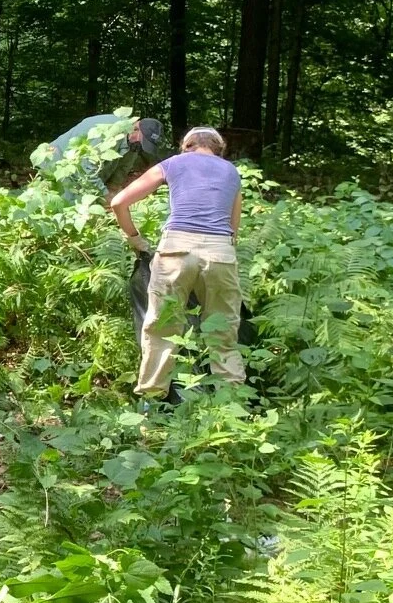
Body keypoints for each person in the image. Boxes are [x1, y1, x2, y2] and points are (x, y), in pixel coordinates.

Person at [110, 125, 245, 401]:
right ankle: (232, 404)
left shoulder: (173, 163)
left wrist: (135, 239)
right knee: (223, 331)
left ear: (187, 146)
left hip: (175, 251)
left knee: (160, 329)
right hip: (220, 253)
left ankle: (150, 403)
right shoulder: (231, 172)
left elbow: (119, 202)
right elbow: (233, 230)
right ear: (219, 149)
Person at [39, 111, 166, 196]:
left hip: (80, 172)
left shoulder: (133, 142)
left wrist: (113, 189)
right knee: (66, 203)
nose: (141, 147)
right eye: (142, 141)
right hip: (57, 162)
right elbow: (87, 170)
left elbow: (123, 168)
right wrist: (105, 196)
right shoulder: (109, 132)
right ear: (135, 129)